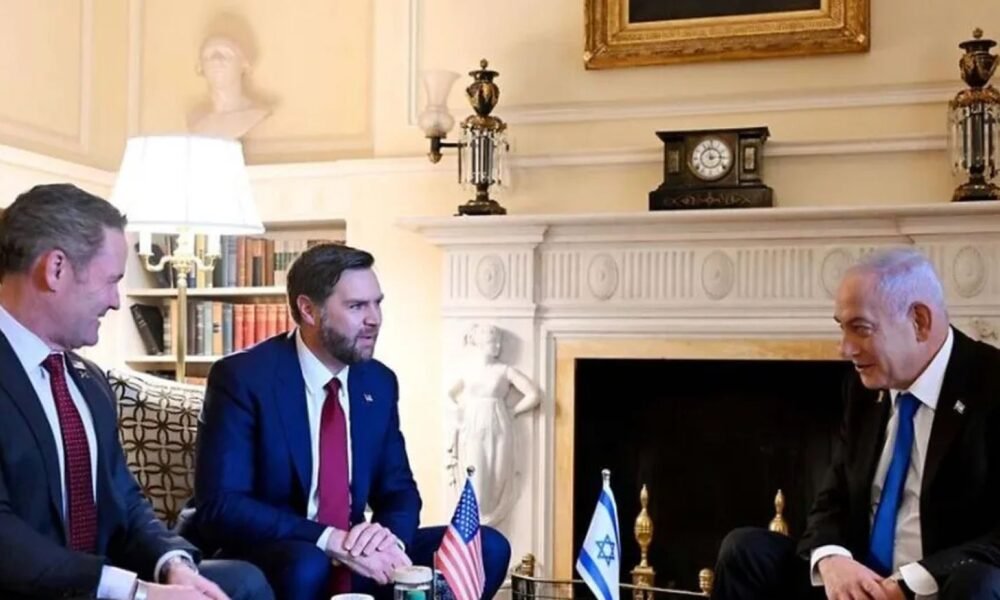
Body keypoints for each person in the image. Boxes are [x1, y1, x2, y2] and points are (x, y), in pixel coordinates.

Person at [187, 243, 511, 600]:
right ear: (308, 310)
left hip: (353, 555)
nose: (375, 319)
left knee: (488, 546)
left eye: (377, 303)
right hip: (277, 553)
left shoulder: (379, 382)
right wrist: (329, 540)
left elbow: (399, 491)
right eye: (357, 306)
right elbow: (222, 505)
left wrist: (386, 540)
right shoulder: (243, 377)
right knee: (308, 564)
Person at [0, 184, 273, 600]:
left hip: (106, 582)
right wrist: (135, 591)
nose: (115, 302)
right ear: (55, 269)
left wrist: (173, 565)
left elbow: (124, 501)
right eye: (111, 281)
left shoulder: (88, 382)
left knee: (242, 582)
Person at [711, 247, 1000, 599]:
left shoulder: (990, 383)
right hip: (860, 588)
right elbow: (832, 500)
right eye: (842, 328)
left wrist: (910, 581)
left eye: (861, 329)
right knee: (744, 551)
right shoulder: (864, 388)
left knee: (981, 583)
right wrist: (832, 559)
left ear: (919, 321)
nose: (844, 349)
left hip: (941, 586)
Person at [446, 323, 540, 525]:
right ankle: (477, 525)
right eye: (492, 341)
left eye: (498, 341)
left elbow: (534, 395)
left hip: (499, 426)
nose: (497, 345)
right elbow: (448, 394)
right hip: (474, 426)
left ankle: (489, 521)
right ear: (480, 344)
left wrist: (513, 411)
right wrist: (458, 414)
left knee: (498, 480)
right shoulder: (468, 371)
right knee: (477, 481)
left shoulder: (504, 371)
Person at [187, 35, 270, 139]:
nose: (216, 60)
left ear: (244, 65)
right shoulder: (197, 120)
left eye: (226, 54)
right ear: (200, 67)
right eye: (209, 55)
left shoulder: (256, 115)